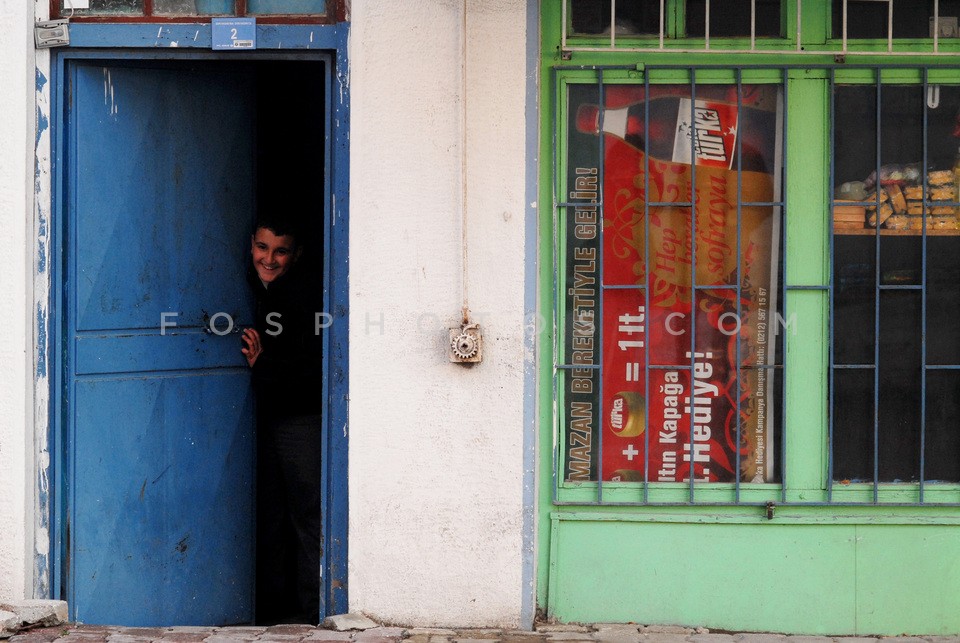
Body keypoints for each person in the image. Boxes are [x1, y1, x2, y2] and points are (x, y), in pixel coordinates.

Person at [241, 216, 323, 624]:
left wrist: (263, 364)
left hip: (301, 419)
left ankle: (313, 612)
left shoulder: (301, 296)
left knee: (307, 514)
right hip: (278, 417)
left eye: (281, 250)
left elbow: (312, 367)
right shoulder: (263, 290)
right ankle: (278, 609)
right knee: (277, 514)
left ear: (297, 254)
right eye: (262, 247)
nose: (269, 259)